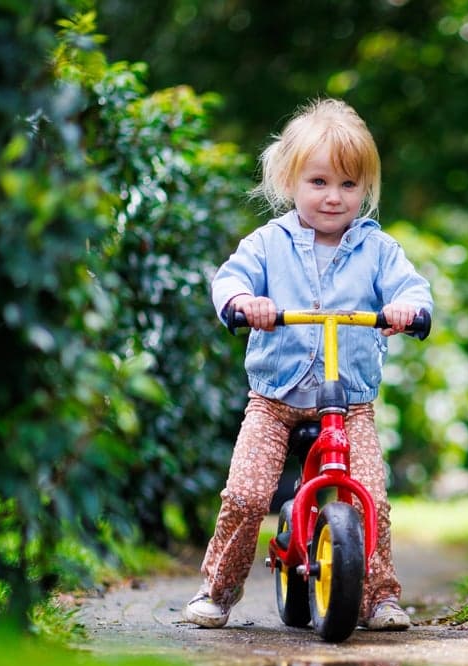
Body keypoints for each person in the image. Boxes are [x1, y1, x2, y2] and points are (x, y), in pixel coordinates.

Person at [183, 98, 433, 631]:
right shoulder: (269, 244)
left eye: (348, 184)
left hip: (350, 402)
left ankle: (378, 597)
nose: (333, 197)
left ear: (366, 188)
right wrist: (244, 303)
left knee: (372, 496)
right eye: (319, 182)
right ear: (289, 180)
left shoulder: (378, 248)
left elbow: (411, 286)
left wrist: (408, 309)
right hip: (275, 399)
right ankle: (217, 591)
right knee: (247, 494)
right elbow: (230, 278)